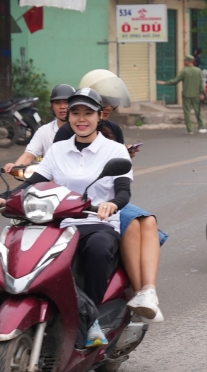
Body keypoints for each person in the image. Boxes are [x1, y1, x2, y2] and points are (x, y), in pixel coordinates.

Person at [0, 88, 134, 347]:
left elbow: (123, 191)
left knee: (99, 250)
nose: (81, 118)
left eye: (88, 113)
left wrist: (111, 204)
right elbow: (33, 182)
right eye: (75, 113)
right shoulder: (57, 150)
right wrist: (4, 198)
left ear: (100, 116)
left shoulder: (115, 151)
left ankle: (93, 320)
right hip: (59, 223)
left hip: (95, 223)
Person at [53, 80, 165, 323]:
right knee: (135, 223)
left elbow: (121, 179)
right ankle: (139, 290)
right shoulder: (65, 137)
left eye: (106, 109)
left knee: (148, 222)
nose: (84, 118)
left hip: (106, 202)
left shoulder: (113, 131)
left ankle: (146, 293)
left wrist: (127, 154)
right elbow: (54, 170)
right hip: (76, 206)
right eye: (77, 112)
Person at [3, 83, 74, 173]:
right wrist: (16, 166)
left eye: (66, 102)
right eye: (57, 103)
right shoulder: (44, 131)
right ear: (52, 106)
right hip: (50, 181)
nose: (62, 107)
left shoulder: (83, 130)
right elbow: (29, 155)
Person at [157, 55, 207, 134]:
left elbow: (175, 81)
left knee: (187, 112)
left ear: (188, 61)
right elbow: (201, 84)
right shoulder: (198, 71)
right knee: (198, 111)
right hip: (196, 94)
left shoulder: (184, 71)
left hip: (186, 95)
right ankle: (201, 127)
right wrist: (202, 93)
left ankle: (190, 130)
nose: (184, 62)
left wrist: (165, 83)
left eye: (185, 61)